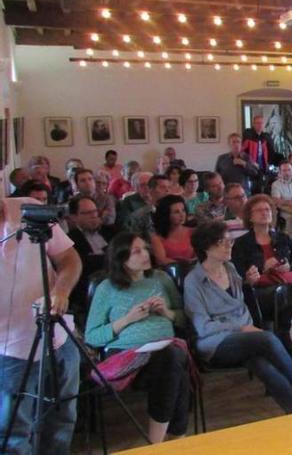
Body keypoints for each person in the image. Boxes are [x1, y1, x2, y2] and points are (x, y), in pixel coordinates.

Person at [185, 222, 292, 414]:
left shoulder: (231, 269)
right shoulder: (193, 281)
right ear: (206, 247)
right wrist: (240, 328)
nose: (229, 245)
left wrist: (248, 284)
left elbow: (237, 304)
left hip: (246, 337)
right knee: (266, 337)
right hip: (214, 343)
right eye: (222, 242)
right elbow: (203, 327)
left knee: (262, 364)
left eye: (230, 241)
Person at [84, 233, 191, 445]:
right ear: (121, 258)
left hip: (165, 350)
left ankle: (159, 442)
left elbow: (183, 318)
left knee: (172, 358)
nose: (145, 254)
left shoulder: (161, 279)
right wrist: (127, 319)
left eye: (145, 248)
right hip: (128, 354)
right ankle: (174, 439)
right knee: (177, 366)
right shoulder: (106, 288)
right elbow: (92, 336)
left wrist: (167, 313)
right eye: (137, 251)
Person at [1, 197, 82, 455]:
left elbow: (69, 259)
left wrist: (61, 290)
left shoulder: (28, 209)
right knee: (14, 434)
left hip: (58, 338)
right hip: (9, 353)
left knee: (62, 420)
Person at [231, 195, 292, 286]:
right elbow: (237, 273)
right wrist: (262, 268)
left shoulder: (284, 238)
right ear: (249, 216)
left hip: (287, 284)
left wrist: (289, 267)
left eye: (267, 210)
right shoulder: (241, 243)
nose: (264, 213)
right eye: (259, 210)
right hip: (259, 289)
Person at [66, 195, 115, 323]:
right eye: (87, 213)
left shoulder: (111, 231)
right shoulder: (70, 240)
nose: (93, 216)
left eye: (95, 211)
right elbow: (84, 266)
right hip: (90, 288)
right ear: (74, 217)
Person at [151, 195, 195, 266]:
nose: (182, 215)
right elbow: (161, 261)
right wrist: (184, 264)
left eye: (183, 210)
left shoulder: (193, 232)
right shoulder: (157, 238)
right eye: (176, 212)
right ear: (166, 215)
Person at [124, 174, 171, 239]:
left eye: (169, 187)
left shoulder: (175, 210)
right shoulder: (139, 216)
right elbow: (136, 239)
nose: (167, 191)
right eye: (162, 187)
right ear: (151, 190)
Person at [242, 116, 277, 193]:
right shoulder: (248, 135)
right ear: (253, 124)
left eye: (261, 123)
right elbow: (243, 152)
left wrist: (269, 163)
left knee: (263, 188)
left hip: (263, 167)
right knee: (252, 189)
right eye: (257, 123)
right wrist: (251, 162)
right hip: (250, 167)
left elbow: (272, 151)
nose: (259, 125)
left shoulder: (266, 136)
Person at [271, 162, 292, 238]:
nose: (287, 173)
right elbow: (276, 200)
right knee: (290, 218)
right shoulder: (276, 184)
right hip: (285, 209)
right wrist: (290, 203)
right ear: (280, 172)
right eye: (284, 170)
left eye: (289, 170)